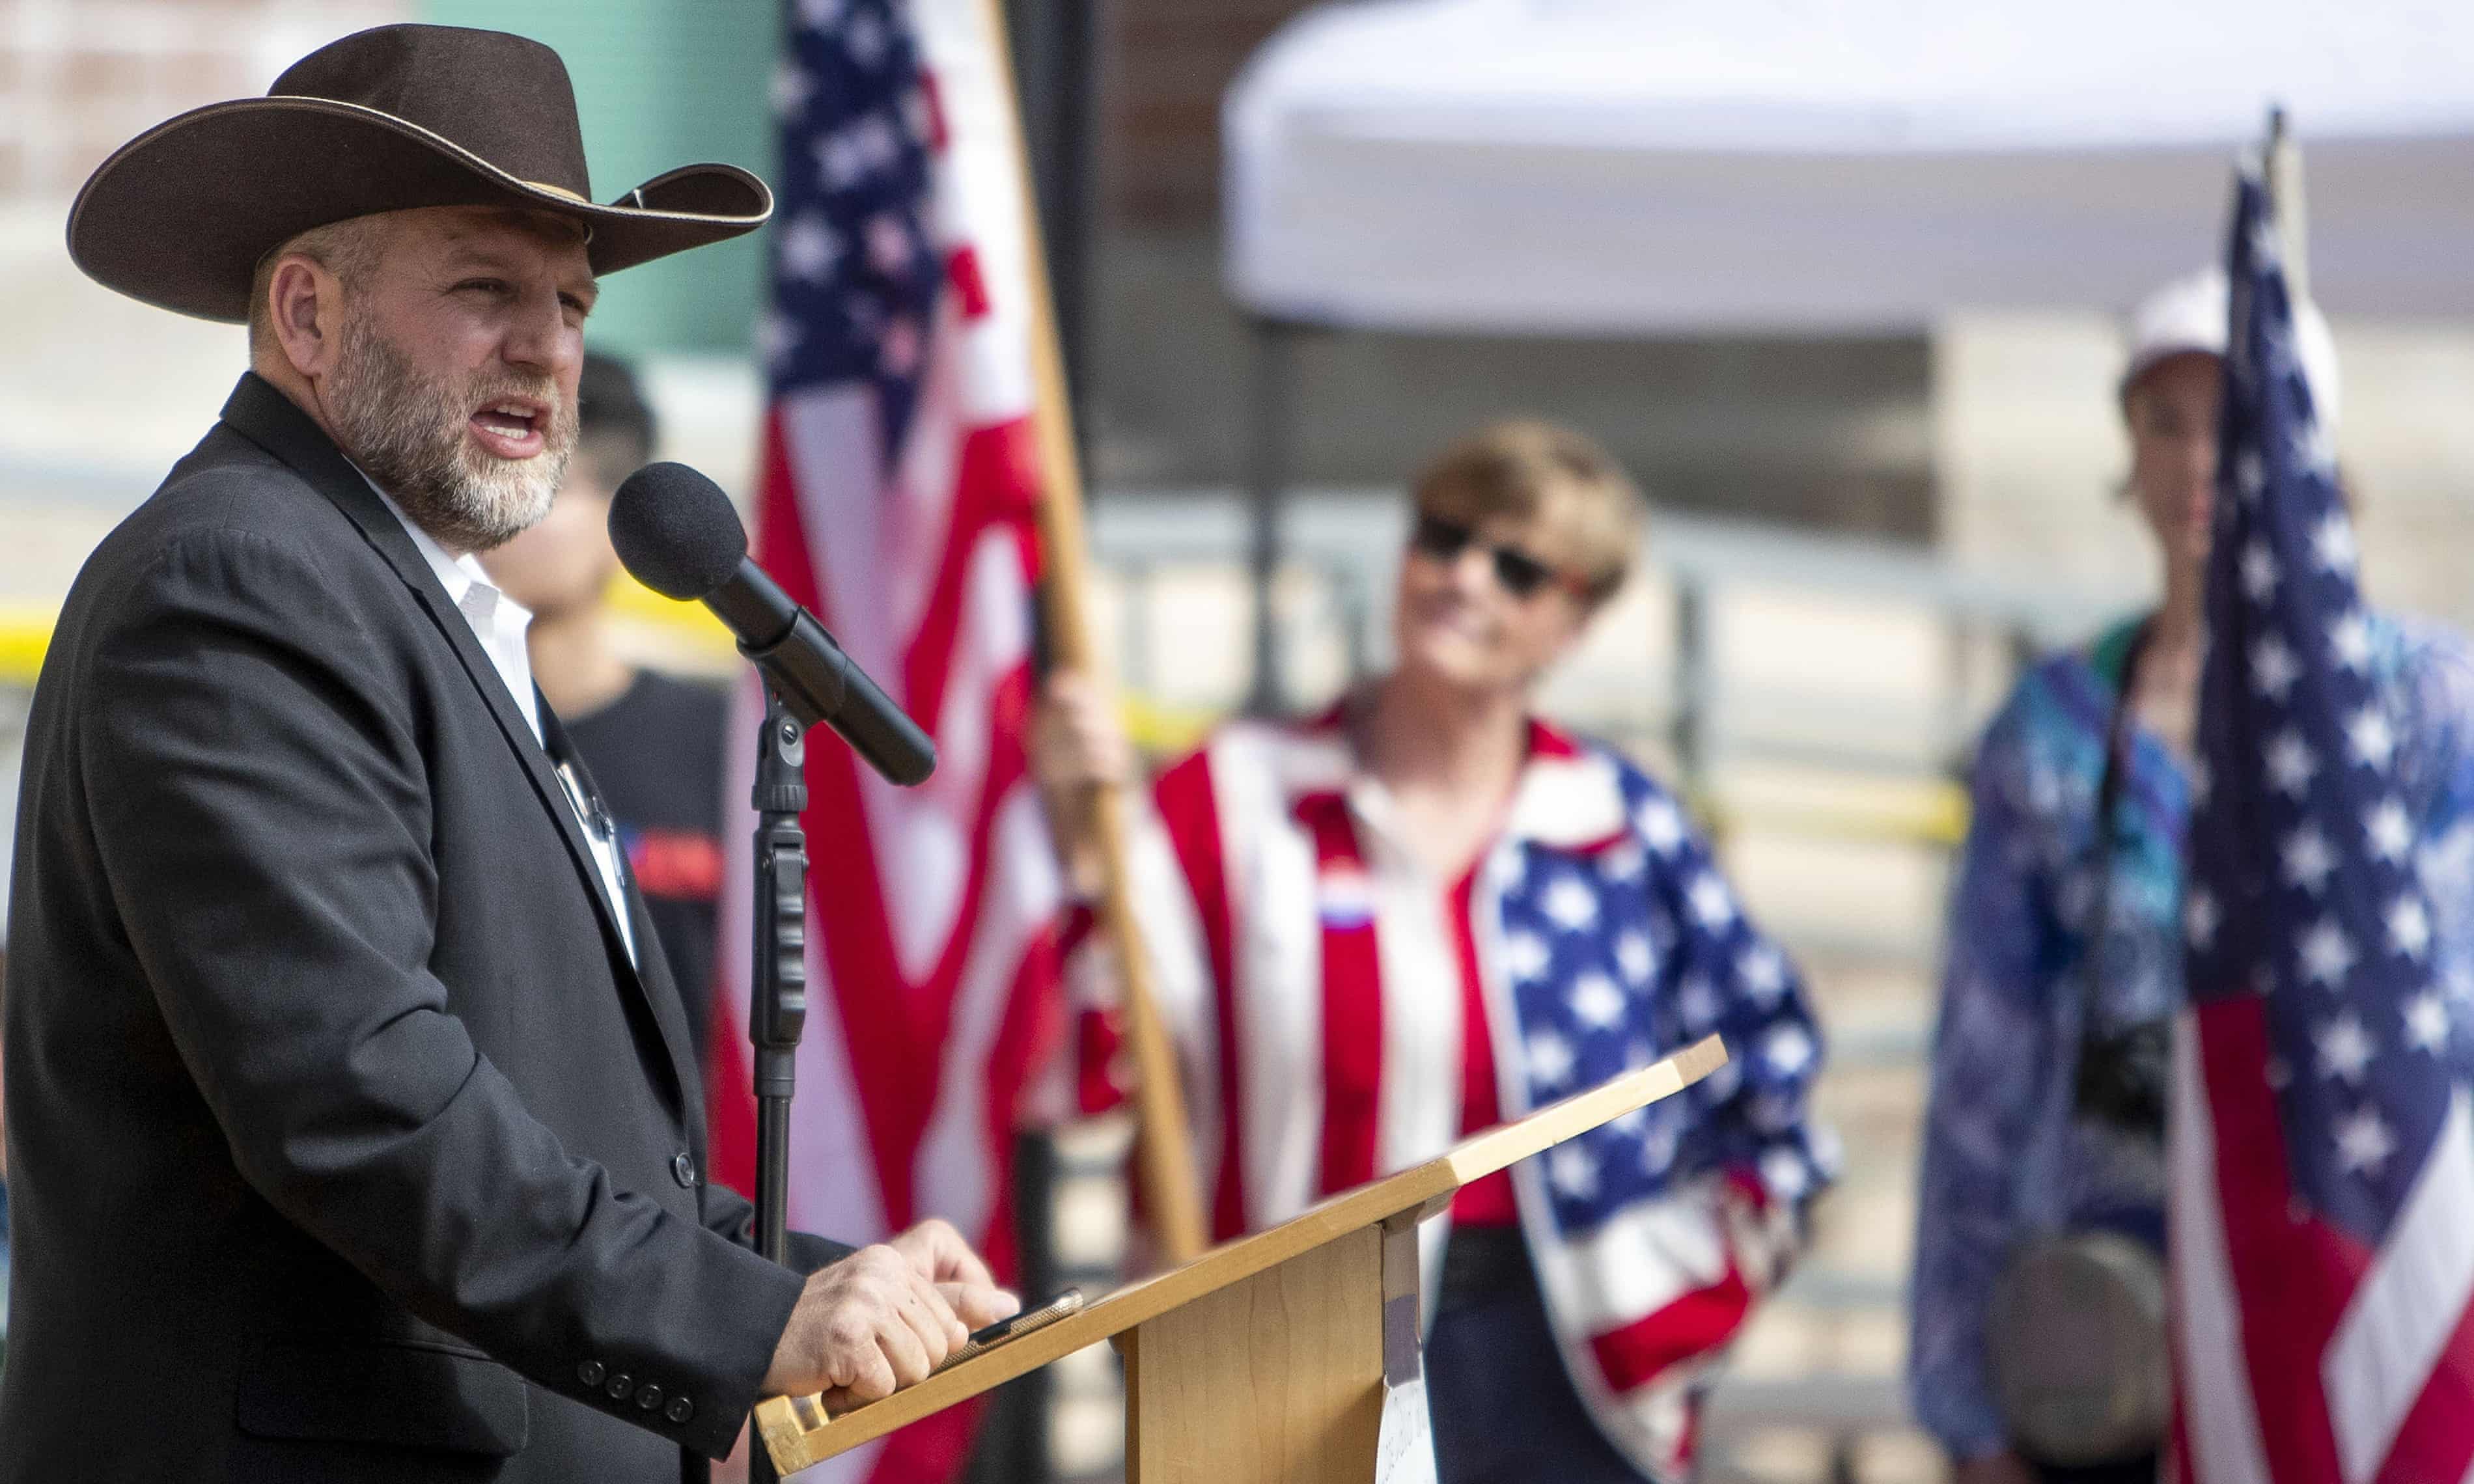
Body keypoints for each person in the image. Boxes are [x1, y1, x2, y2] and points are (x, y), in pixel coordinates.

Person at [0, 27, 1012, 1482]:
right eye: (486, 289)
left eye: (572, 301)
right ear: (307, 314)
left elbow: (555, 1131)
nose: (548, 345)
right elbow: (360, 1100)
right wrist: (755, 1318)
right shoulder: (240, 578)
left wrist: (828, 1284)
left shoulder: (405, 600)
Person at [1033, 419, 1835, 1483]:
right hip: (1293, 1368)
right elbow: (1082, 1066)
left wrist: (1677, 1303)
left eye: (1517, 568)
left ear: (1573, 622)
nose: (1464, 578)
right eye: (1444, 537)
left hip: (1569, 1383)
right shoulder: (1236, 798)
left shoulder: (1619, 827)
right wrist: (1081, 852)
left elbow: (1772, 1075)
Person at [1908, 269, 2474, 1484]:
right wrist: (1968, 1403)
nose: (2199, 462)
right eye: (2164, 422)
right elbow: (1982, 1071)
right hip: (2109, 1321)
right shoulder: (2053, 728)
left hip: (2350, 1301)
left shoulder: (2426, 707)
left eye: (2239, 422)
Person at [483, 351, 730, 1067]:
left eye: (541, 484)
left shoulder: (726, 746)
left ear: (627, 520)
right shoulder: (425, 734)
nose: (496, 515)